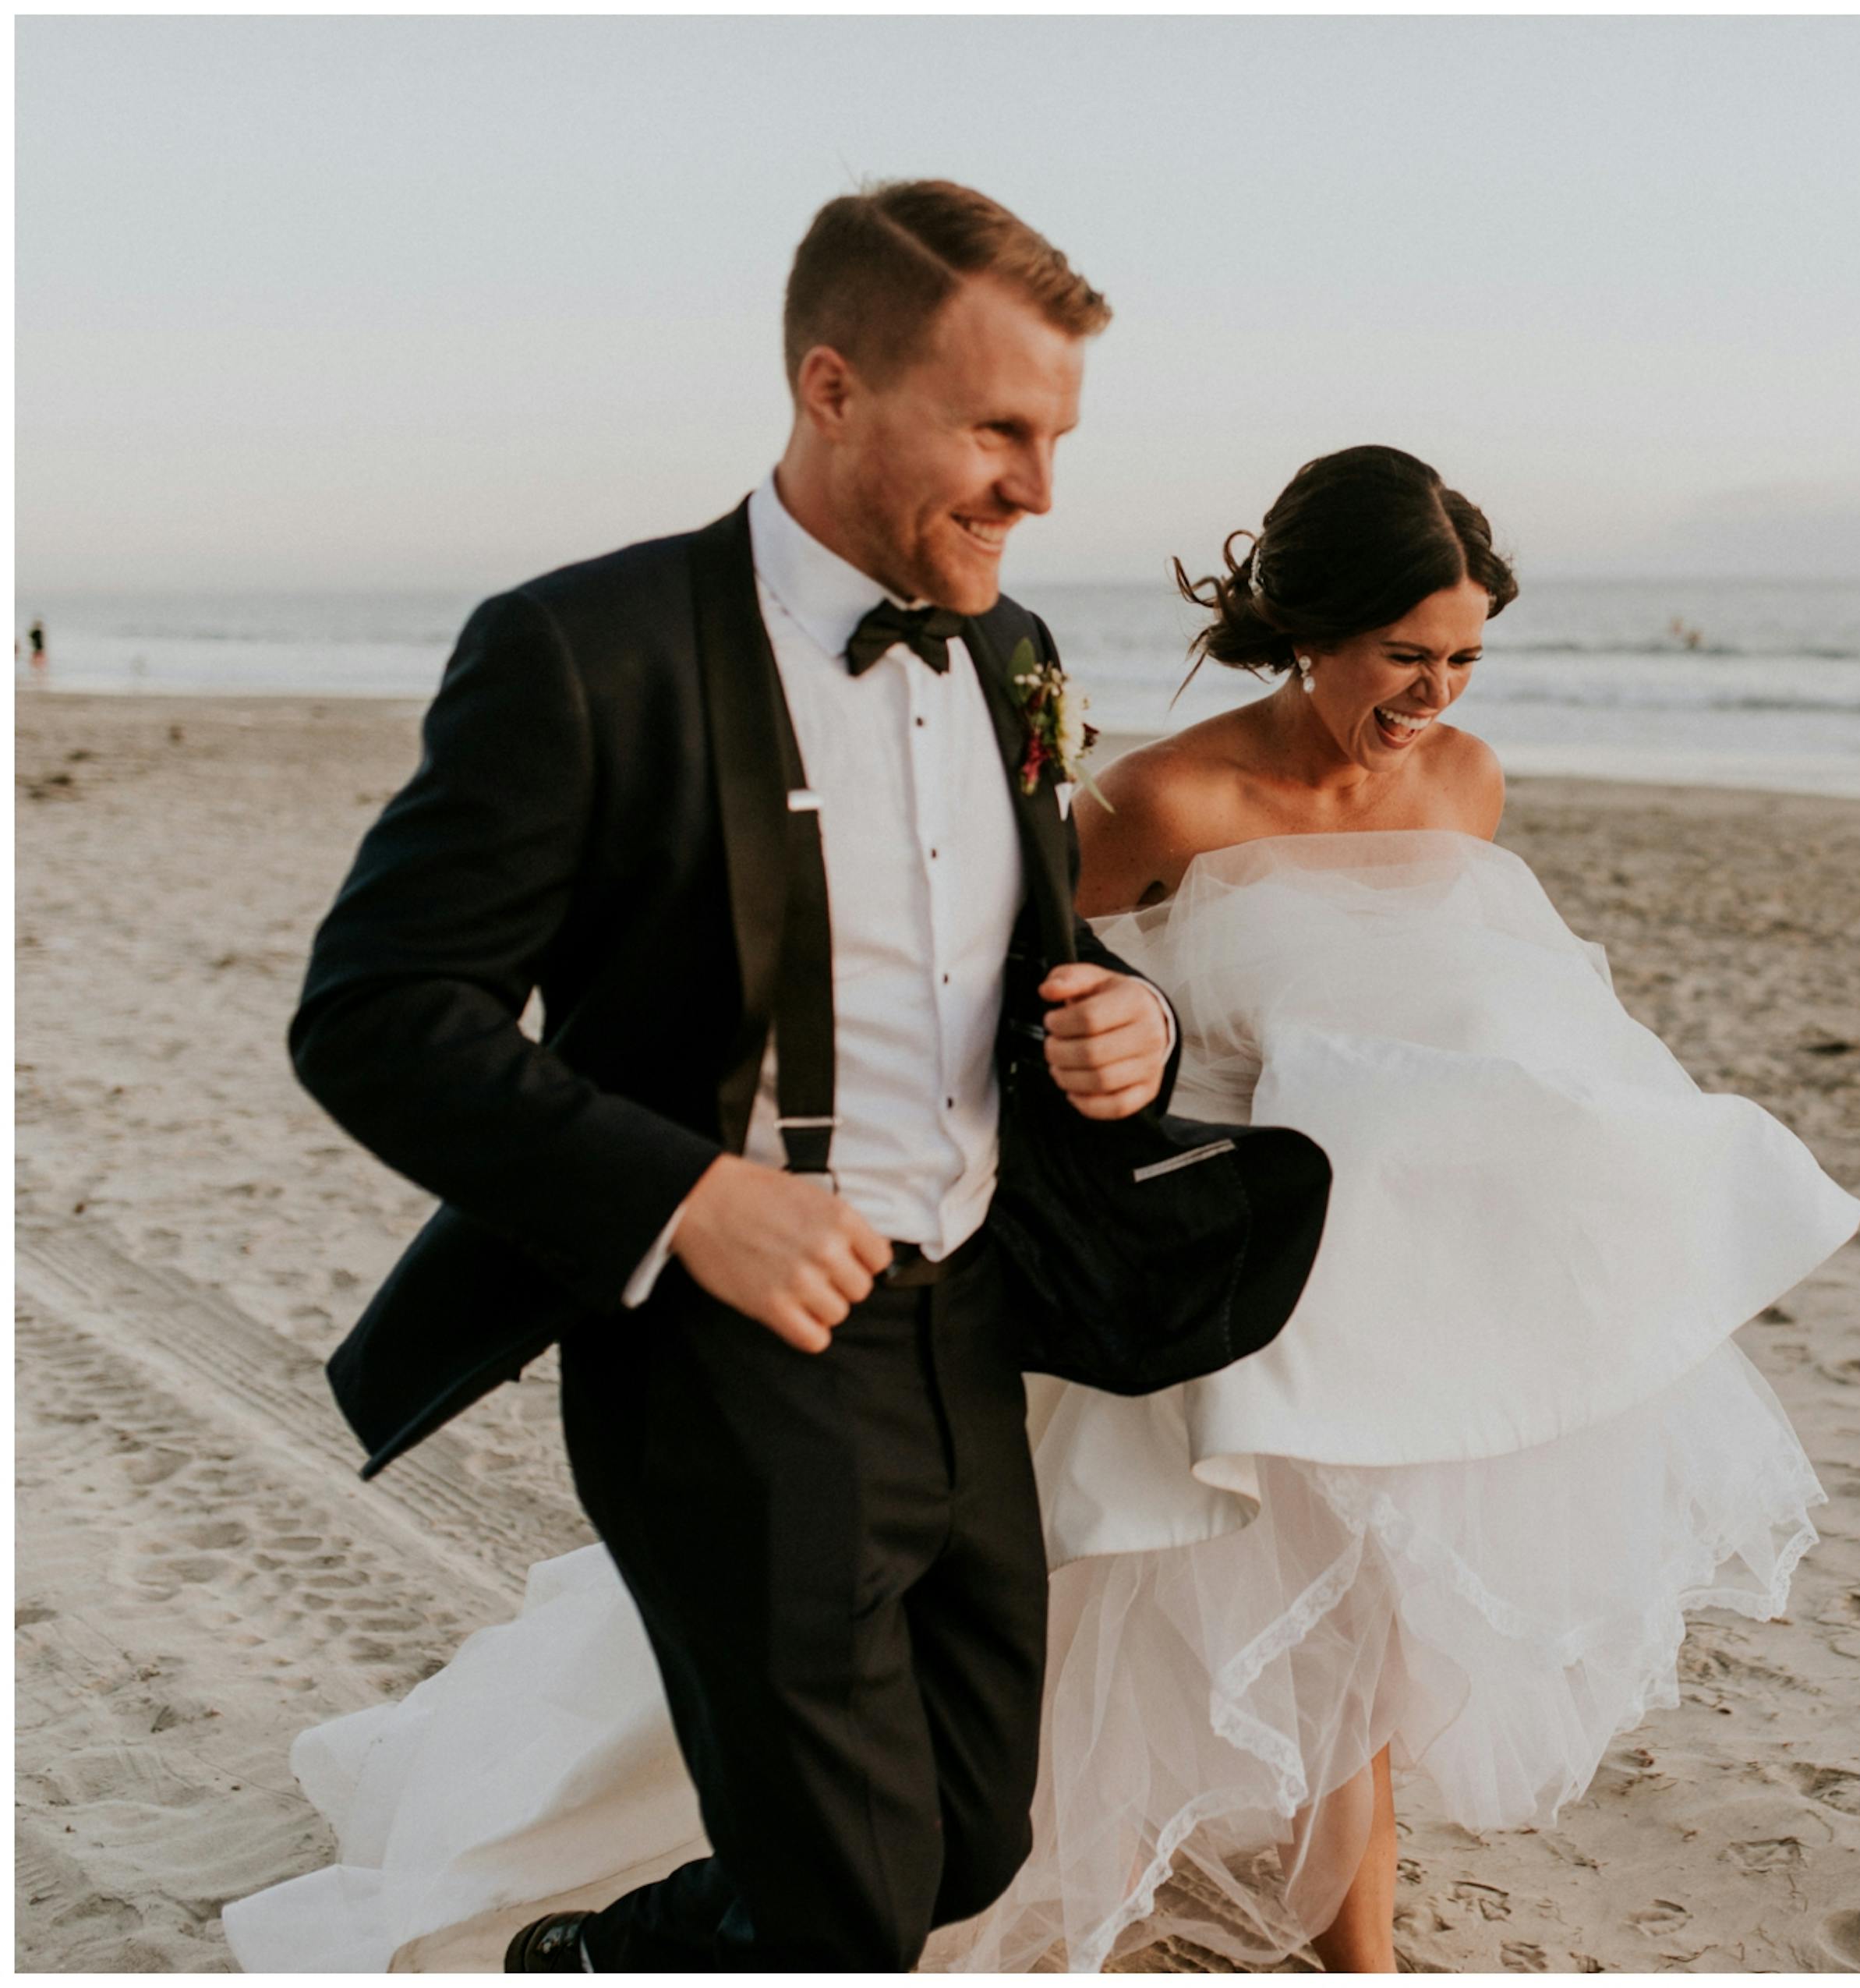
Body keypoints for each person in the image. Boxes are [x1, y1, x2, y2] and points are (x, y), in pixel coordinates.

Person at [227, 443, 1860, 1973]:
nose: (1432, 697)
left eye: (1463, 661)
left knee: (1360, 1609)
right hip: (1203, 1268)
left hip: (1392, 1271)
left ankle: (1351, 1953)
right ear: (1309, 634)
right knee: (1066, 1615)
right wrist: (1119, 1031)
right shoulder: (1164, 801)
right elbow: (1005, 974)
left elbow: (1479, 1019)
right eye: (1403, 657)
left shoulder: (1467, 786)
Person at [242, 181, 1195, 1974]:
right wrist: (688, 1199)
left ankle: (598, 1962)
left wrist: (1120, 1024)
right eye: (996, 430)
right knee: (849, 1911)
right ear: (832, 388)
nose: (1038, 491)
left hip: (968, 1325)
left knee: (970, 1841)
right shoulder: (583, 653)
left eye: (1057, 439)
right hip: (722, 1362)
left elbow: (1019, 949)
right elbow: (375, 1012)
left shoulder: (1014, 654)